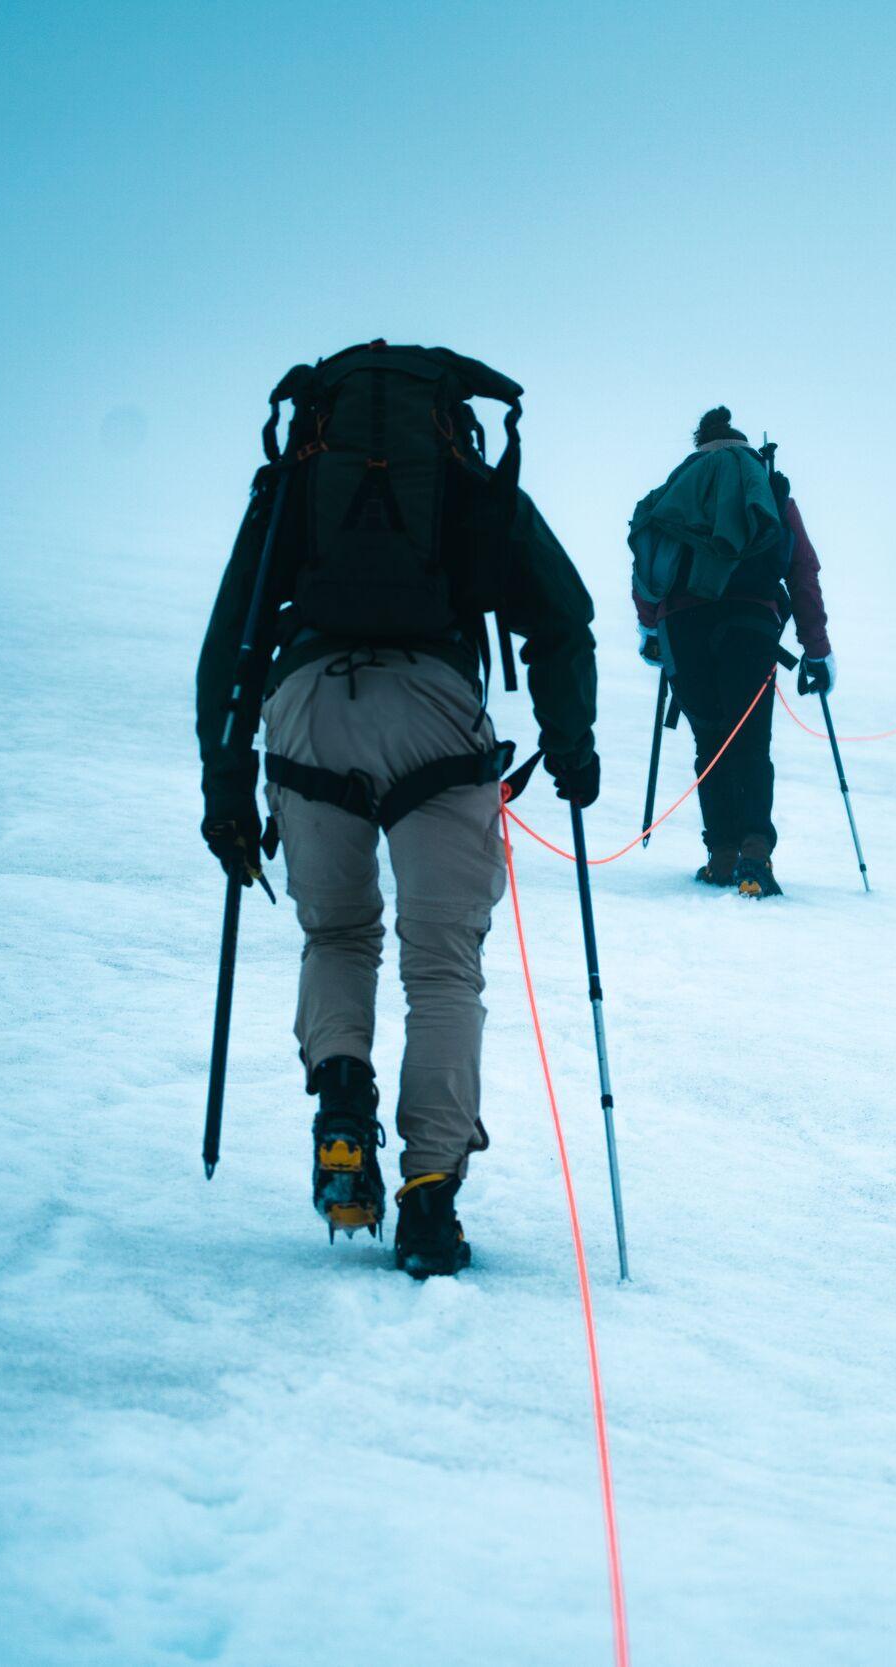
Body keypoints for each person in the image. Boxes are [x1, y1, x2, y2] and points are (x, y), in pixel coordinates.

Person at [195, 342, 599, 1279]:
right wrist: (570, 742)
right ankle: (428, 1194)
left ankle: (342, 1090)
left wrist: (225, 783)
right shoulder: (468, 479)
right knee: (442, 967)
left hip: (306, 709)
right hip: (435, 718)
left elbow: (233, 636)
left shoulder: (296, 482)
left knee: (337, 934)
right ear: (447, 414)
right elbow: (561, 615)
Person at [629, 407, 835, 898]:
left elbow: (646, 565)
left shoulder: (675, 491)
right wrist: (817, 649)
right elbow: (802, 572)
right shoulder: (768, 488)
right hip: (751, 624)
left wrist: (650, 628)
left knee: (710, 741)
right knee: (750, 740)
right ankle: (754, 856)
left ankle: (720, 855)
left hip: (683, 624)